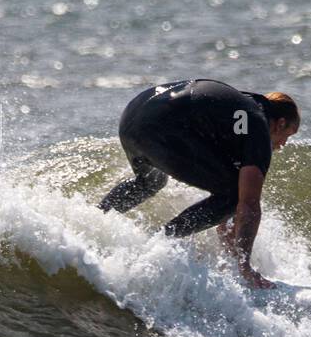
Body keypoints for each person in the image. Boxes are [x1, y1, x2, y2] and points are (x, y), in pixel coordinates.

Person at [99, 78, 299, 288]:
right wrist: (245, 268)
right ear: (280, 123)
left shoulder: (240, 110)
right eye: (288, 136)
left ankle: (94, 220)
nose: (283, 144)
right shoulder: (257, 124)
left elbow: (230, 212)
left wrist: (232, 259)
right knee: (233, 195)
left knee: (150, 182)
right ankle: (158, 245)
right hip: (160, 129)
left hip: (132, 119)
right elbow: (247, 204)